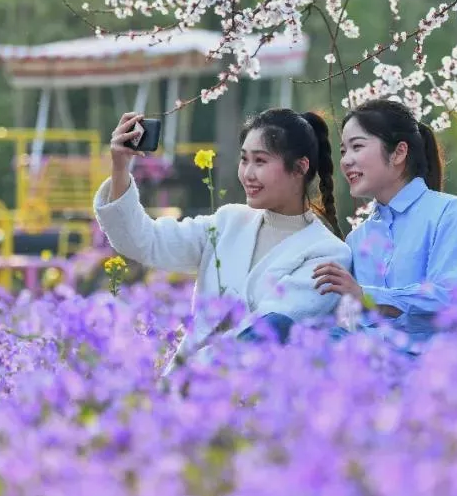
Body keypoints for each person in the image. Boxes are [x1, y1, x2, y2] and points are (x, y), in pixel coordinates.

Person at [96, 108, 351, 373]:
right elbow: (144, 242)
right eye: (244, 159)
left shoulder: (327, 253)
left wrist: (187, 374)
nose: (248, 174)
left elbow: (266, 331)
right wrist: (120, 167)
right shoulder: (228, 222)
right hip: (186, 386)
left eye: (260, 161)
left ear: (300, 167)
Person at [313, 98, 457, 353]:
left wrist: (365, 296)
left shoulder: (451, 214)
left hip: (449, 369)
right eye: (343, 151)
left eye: (357, 146)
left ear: (398, 153)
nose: (346, 161)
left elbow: (448, 300)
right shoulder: (357, 239)